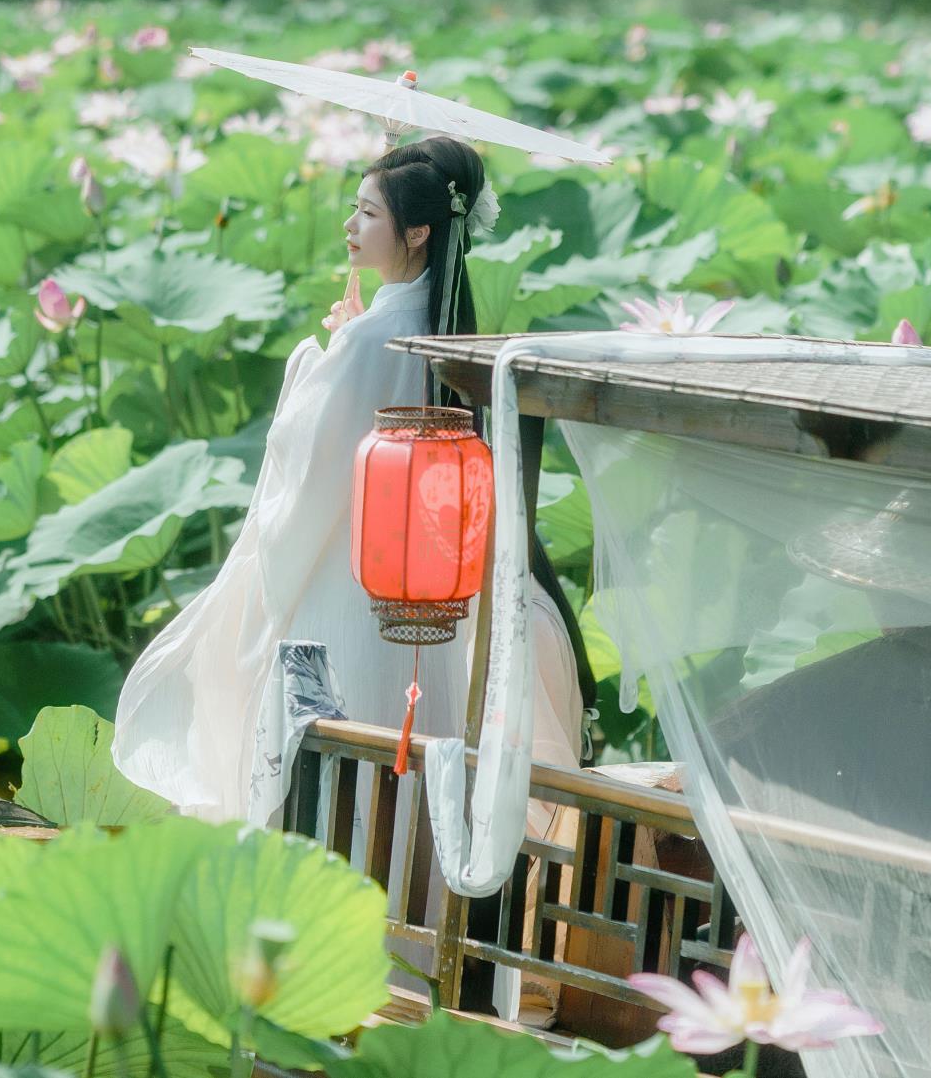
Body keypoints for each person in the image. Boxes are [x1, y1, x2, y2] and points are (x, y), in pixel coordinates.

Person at [111, 134, 587, 831]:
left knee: (334, 744)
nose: (349, 226)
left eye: (367, 213)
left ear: (418, 230)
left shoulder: (370, 337)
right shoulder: (443, 325)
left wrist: (312, 358)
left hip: (356, 580)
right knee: (425, 750)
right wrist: (352, 339)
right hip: (437, 591)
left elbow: (307, 468)